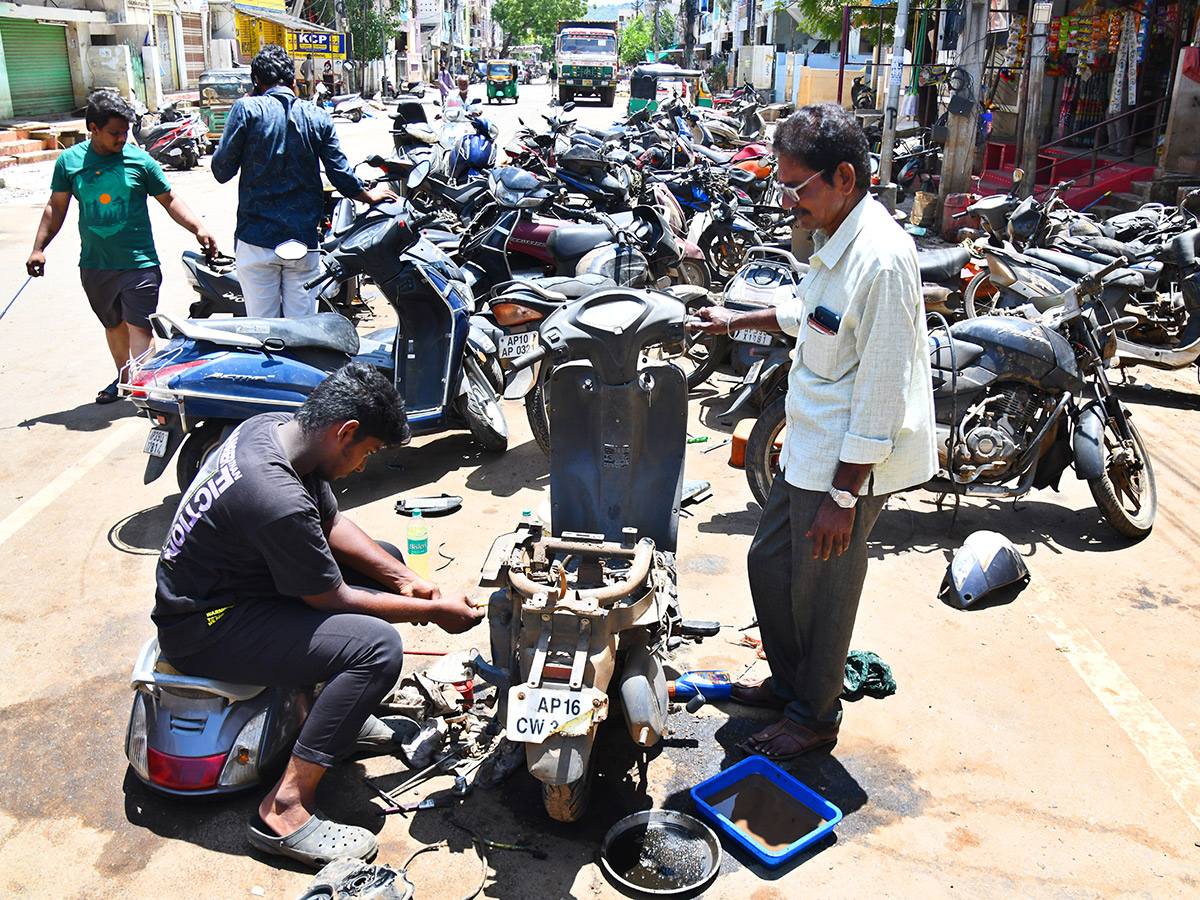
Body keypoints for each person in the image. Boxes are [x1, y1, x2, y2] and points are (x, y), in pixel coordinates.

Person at [153, 362, 485, 867]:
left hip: (229, 590)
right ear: (345, 432)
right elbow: (331, 599)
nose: (363, 467)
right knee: (377, 649)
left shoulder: (273, 431)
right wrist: (430, 610)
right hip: (206, 625)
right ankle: (284, 809)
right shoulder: (274, 495)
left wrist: (404, 578)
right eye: (368, 453)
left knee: (385, 558)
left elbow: (328, 521)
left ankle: (332, 721)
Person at [691, 103, 936, 760]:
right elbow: (811, 317)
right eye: (782, 184)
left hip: (847, 465)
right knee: (770, 563)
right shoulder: (837, 238)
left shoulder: (882, 259)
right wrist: (735, 322)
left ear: (844, 178)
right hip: (810, 449)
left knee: (822, 593)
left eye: (797, 187)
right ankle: (794, 684)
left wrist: (845, 497)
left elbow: (881, 391)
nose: (787, 199)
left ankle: (815, 714)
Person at [26, 90, 216, 404]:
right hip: (94, 264)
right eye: (114, 133)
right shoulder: (70, 162)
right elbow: (55, 207)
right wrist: (38, 247)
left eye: (125, 132)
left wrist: (198, 228)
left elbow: (169, 199)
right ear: (93, 128)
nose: (121, 139)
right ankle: (124, 378)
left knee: (139, 327)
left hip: (138, 261)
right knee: (113, 325)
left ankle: (146, 389)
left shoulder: (139, 160)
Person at [212, 44, 396, 319]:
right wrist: (368, 195)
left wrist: (251, 99)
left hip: (256, 241)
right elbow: (340, 175)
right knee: (303, 331)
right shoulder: (317, 115)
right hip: (302, 243)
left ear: (256, 81)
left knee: (265, 333)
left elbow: (221, 170)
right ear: (294, 81)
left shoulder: (247, 109)